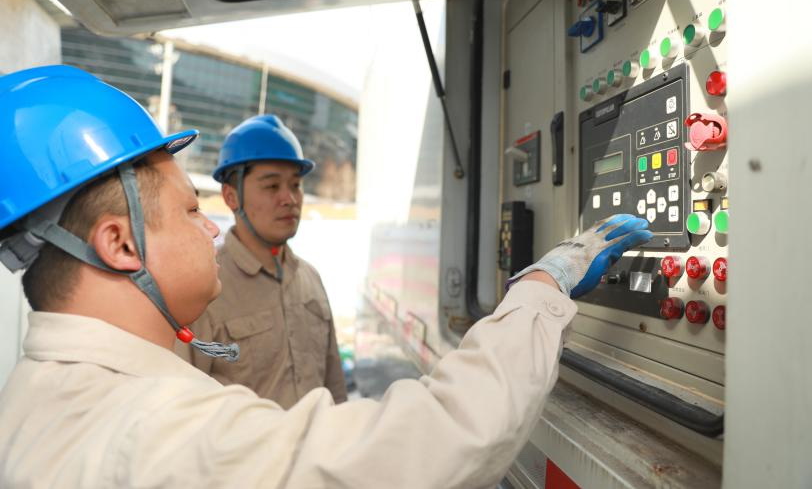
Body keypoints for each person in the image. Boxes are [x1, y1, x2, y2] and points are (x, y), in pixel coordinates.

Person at [0, 65, 652, 487]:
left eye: (296, 185)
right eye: (191, 210)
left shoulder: (44, 402)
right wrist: (541, 287)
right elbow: (433, 442)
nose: (208, 231)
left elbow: (333, 402)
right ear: (119, 244)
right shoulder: (153, 430)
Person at [175, 115, 347, 407]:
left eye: (295, 185)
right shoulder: (203, 289)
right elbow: (185, 405)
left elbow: (335, 388)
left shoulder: (311, 279)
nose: (289, 199)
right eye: (272, 186)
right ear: (232, 197)